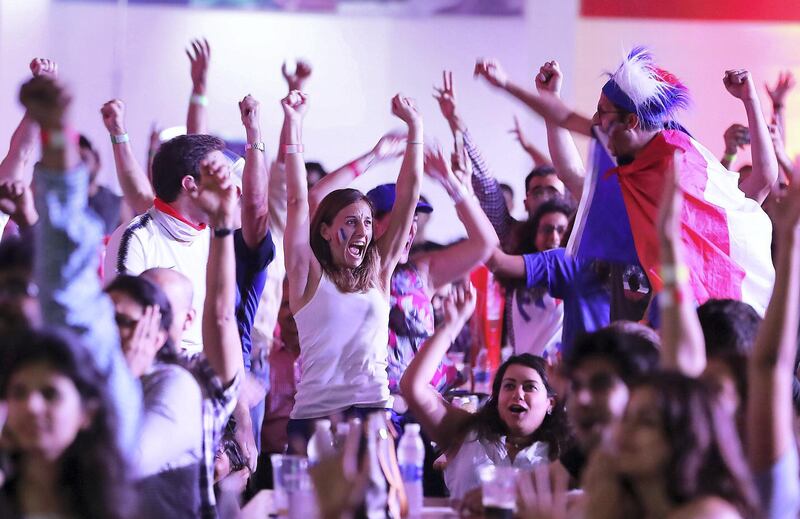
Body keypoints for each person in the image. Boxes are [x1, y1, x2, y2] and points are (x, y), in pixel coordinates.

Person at [281, 89, 422, 443]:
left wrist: (415, 129)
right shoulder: (307, 271)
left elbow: (409, 195)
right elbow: (300, 200)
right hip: (315, 421)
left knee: (378, 502)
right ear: (325, 231)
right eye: (351, 222)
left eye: (369, 222)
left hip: (373, 415)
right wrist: (294, 125)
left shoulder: (379, 271)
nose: (363, 230)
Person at [400, 283, 566, 512]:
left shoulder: (563, 451)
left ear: (550, 402)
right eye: (509, 386)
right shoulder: (467, 433)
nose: (518, 393)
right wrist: (450, 326)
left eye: (529, 387)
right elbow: (413, 386)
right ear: (496, 397)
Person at [583, 372, 759, 519]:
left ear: (687, 436)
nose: (625, 430)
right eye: (625, 418)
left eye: (647, 421)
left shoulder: (710, 513)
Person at [0, 329, 134, 519]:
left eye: (50, 394)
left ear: (87, 413)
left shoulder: (111, 504)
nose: (31, 406)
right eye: (19, 393)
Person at [105, 274, 204, 517]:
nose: (107, 329)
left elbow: (126, 463)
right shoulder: (91, 377)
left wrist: (125, 377)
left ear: (157, 337)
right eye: (102, 318)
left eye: (123, 321)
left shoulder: (176, 385)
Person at [488, 197, 611, 354]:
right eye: (547, 230)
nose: (554, 237)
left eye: (560, 230)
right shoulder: (569, 263)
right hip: (538, 371)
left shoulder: (576, 264)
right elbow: (498, 262)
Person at [559, 323, 660, 479]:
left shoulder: (672, 480)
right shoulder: (580, 459)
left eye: (601, 385)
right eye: (576, 386)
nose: (582, 399)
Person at [79, 135, 122, 235]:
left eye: (84, 159)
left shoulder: (117, 204)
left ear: (97, 162)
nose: (79, 167)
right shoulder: (55, 204)